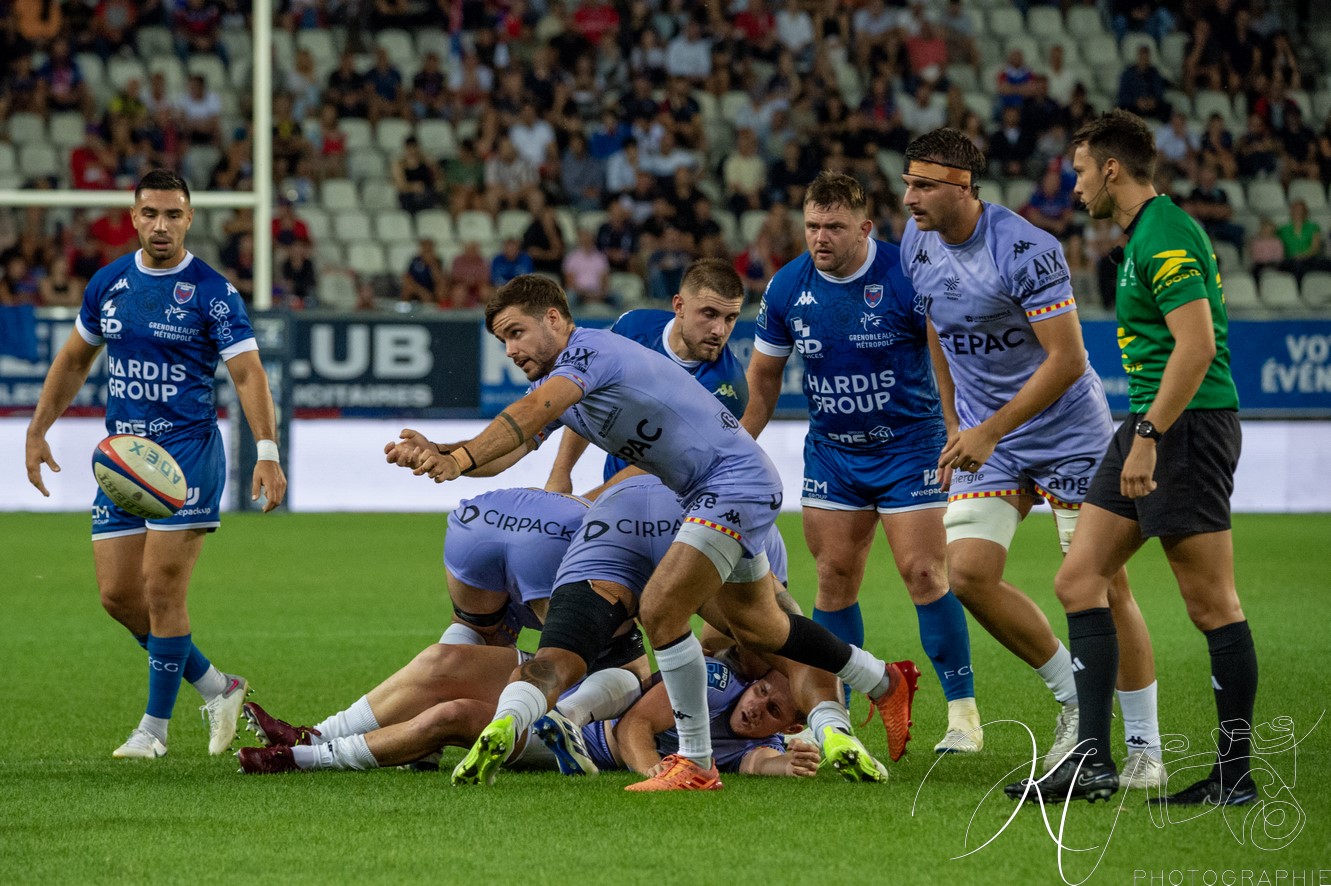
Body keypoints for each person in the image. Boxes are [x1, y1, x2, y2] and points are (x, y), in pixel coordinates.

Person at [387, 275, 918, 791]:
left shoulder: (592, 353)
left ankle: (695, 762)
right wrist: (444, 452)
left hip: (732, 485)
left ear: (554, 317)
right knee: (761, 629)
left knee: (662, 608)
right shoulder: (564, 378)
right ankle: (884, 680)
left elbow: (526, 416)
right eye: (502, 340)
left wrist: (458, 458)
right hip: (707, 492)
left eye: (515, 331)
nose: (509, 349)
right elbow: (517, 444)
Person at [899, 128, 1163, 788]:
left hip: (1068, 432)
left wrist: (987, 429)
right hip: (990, 436)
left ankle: (1143, 748)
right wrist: (956, 417)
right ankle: (1074, 703)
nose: (908, 198)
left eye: (922, 185)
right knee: (966, 574)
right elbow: (935, 324)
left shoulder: (1025, 248)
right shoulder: (915, 241)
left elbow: (1068, 359)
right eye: (906, 182)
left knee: (1100, 584)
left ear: (962, 188)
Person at [1009, 110, 1254, 806]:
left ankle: (1233, 776)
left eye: (1080, 170)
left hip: (1183, 428)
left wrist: (1147, 434)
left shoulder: (1165, 232)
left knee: (1210, 605)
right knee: (1078, 579)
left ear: (1111, 169)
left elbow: (1197, 346)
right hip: (1146, 425)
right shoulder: (1142, 235)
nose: (1075, 184)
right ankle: (1091, 760)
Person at [24, 170, 287, 759]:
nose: (161, 225)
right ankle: (220, 687)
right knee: (118, 596)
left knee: (162, 588)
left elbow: (247, 373)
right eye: (150, 214)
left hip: (188, 455)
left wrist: (266, 451)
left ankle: (153, 731)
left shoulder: (213, 292)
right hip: (124, 459)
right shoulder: (108, 283)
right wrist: (38, 429)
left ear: (190, 219)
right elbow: (73, 361)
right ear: (134, 216)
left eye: (173, 214)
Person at [742, 171, 981, 753]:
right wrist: (735, 445)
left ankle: (963, 714)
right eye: (812, 226)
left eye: (834, 227)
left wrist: (957, 427)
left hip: (910, 446)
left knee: (925, 573)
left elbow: (945, 356)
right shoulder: (785, 289)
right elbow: (764, 381)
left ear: (865, 228)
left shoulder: (906, 275)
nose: (820, 237)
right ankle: (839, 717)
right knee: (833, 580)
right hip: (834, 451)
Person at [236, 648, 815, 781]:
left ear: (787, 724)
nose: (755, 705)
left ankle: (302, 757)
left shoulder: (756, 740)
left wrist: (786, 763)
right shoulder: (714, 679)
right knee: (447, 659)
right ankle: (318, 731)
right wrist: (662, 776)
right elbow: (639, 725)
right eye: (760, 691)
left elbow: (756, 762)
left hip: (584, 737)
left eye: (772, 711)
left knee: (454, 713)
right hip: (587, 681)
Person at [544, 258, 748, 491]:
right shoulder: (633, 328)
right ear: (679, 306)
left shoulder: (726, 388)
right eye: (709, 314)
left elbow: (661, 464)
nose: (720, 331)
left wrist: (592, 504)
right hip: (614, 494)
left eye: (730, 318)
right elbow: (590, 399)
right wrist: (561, 473)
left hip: (675, 507)